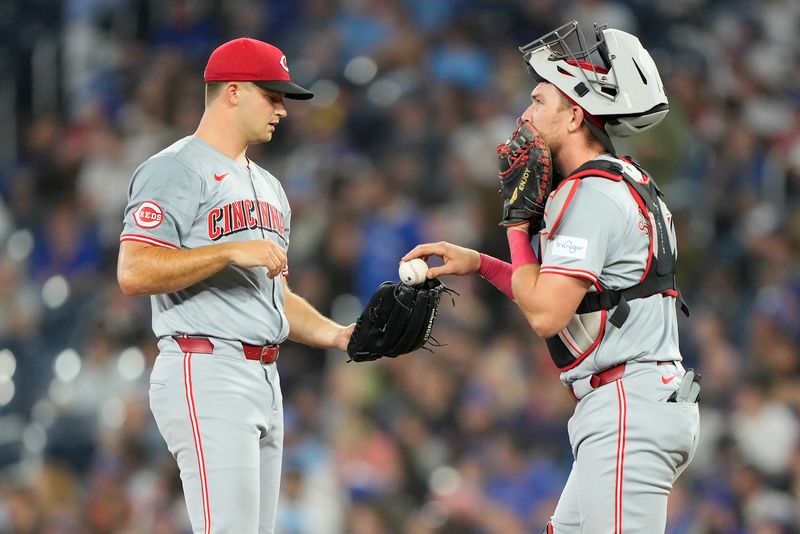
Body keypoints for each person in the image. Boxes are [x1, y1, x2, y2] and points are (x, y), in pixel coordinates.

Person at [403, 21, 700, 533]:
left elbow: (545, 313)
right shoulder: (616, 179)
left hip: (629, 402)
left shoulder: (590, 194)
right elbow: (563, 293)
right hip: (634, 400)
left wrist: (517, 227)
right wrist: (481, 264)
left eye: (539, 100)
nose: (525, 113)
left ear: (574, 117)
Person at [116, 37, 354, 534]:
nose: (282, 110)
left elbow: (277, 300)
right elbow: (134, 270)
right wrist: (225, 250)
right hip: (205, 368)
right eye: (272, 95)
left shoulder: (270, 187)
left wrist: (337, 335)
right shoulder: (175, 168)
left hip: (265, 377)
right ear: (232, 91)